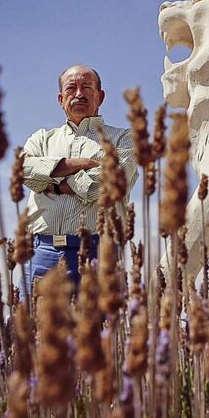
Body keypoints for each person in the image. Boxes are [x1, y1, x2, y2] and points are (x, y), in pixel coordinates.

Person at [20, 64, 138, 292]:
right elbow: (23, 171)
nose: (79, 94)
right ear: (60, 98)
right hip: (41, 253)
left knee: (97, 327)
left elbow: (104, 185)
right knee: (36, 327)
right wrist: (84, 164)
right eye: (71, 88)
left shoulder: (124, 139)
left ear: (100, 96)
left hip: (98, 253)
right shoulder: (41, 138)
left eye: (86, 87)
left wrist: (51, 182)